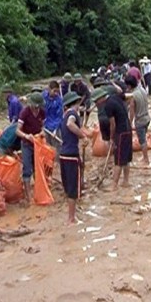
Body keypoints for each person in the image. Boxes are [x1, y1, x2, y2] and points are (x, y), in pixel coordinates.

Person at [91, 87, 133, 191]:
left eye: (96, 101)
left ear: (101, 98)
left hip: (121, 132)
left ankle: (114, 185)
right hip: (128, 129)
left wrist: (112, 137)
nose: (96, 104)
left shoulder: (107, 106)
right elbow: (128, 96)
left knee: (118, 160)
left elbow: (112, 124)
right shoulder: (116, 97)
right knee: (126, 158)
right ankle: (126, 181)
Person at [59, 91, 88, 225]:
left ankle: (71, 214)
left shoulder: (63, 116)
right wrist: (82, 135)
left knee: (68, 186)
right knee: (72, 189)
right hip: (71, 155)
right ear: (75, 103)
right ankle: (71, 218)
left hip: (63, 154)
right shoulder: (72, 114)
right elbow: (71, 125)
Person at [16, 92, 46, 204]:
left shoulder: (42, 112)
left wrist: (42, 132)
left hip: (37, 144)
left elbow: (43, 126)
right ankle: (29, 197)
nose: (37, 108)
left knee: (38, 168)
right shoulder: (25, 112)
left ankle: (39, 192)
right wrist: (26, 136)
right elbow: (17, 130)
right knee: (27, 169)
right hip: (26, 144)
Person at [125, 75, 151, 166]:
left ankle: (146, 159)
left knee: (142, 141)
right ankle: (145, 157)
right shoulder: (143, 90)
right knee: (144, 139)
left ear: (129, 86)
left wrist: (129, 123)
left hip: (140, 121)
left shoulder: (133, 96)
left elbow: (131, 111)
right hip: (147, 117)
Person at [42, 80, 63, 158]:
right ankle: (49, 160)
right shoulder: (43, 96)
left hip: (55, 126)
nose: (56, 93)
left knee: (57, 145)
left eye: (57, 91)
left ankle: (58, 161)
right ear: (49, 89)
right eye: (54, 91)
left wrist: (56, 129)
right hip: (45, 125)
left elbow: (60, 116)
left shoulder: (59, 100)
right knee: (47, 144)